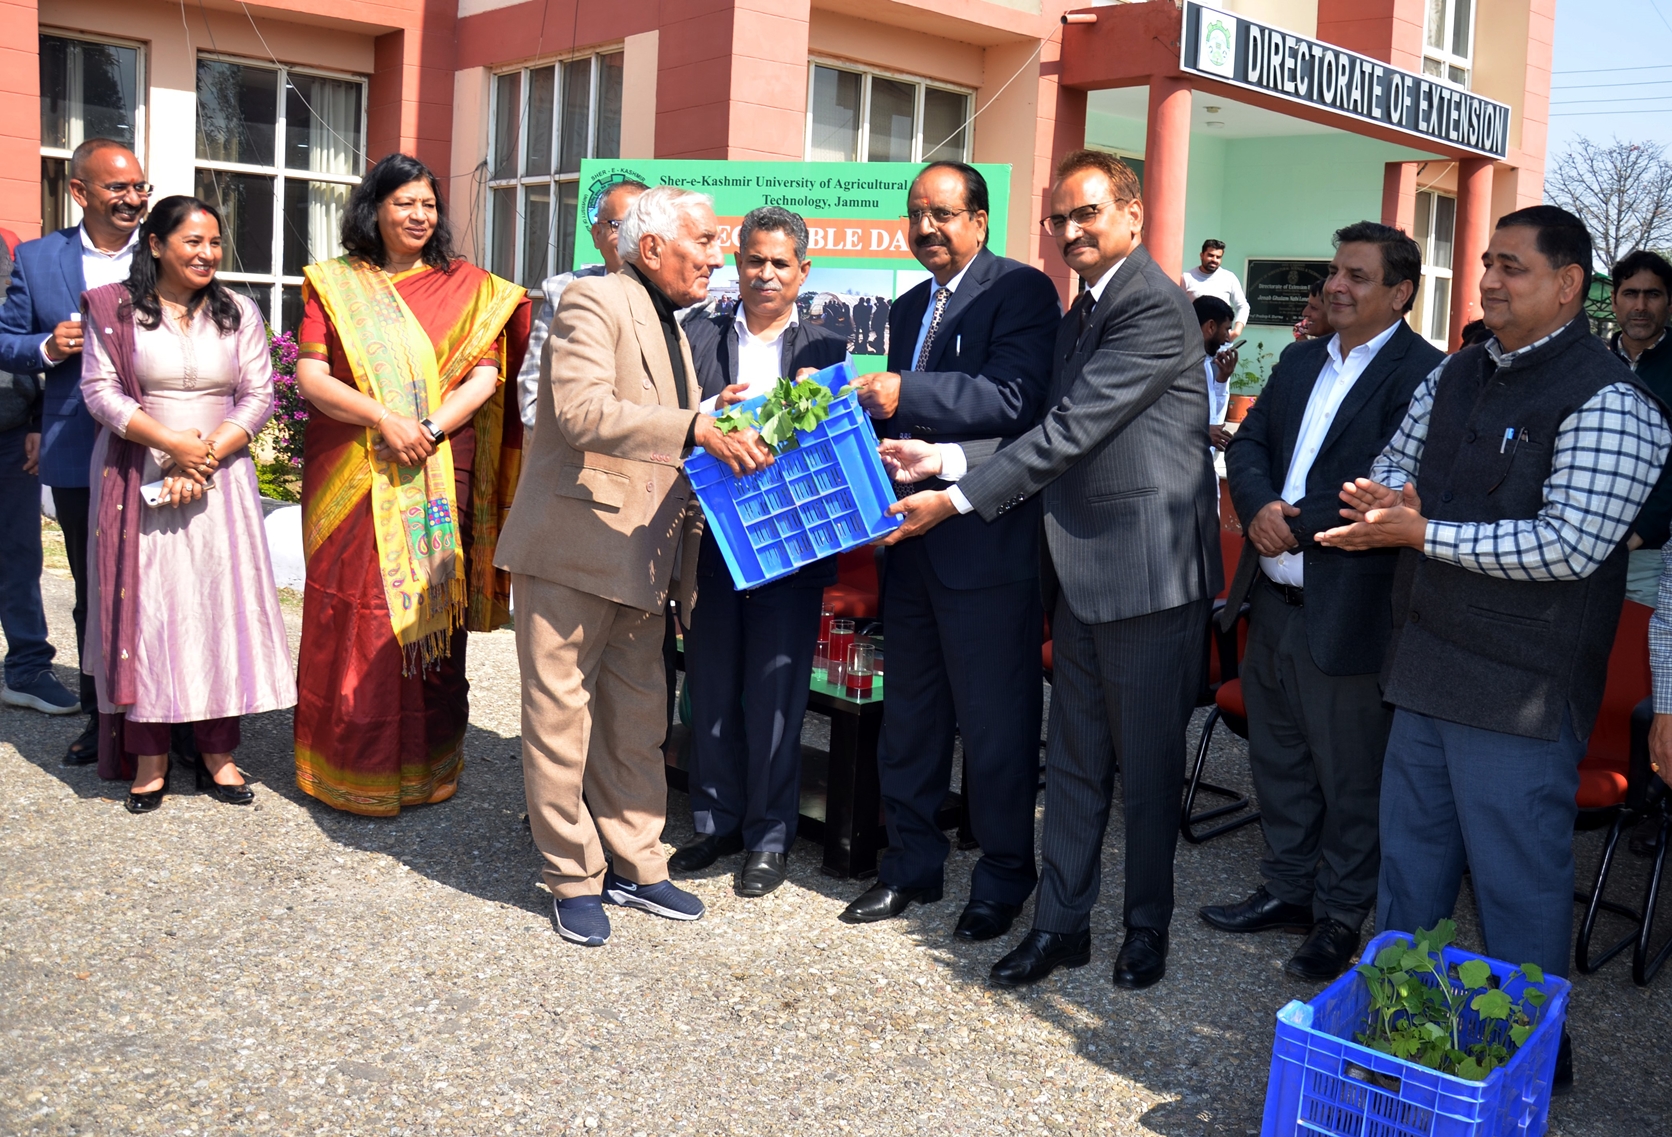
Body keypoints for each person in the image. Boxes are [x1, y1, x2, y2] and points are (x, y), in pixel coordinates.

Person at [1317, 206, 1669, 1087]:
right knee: (1409, 882)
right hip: (1424, 667)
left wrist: (1420, 531)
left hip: (1520, 693)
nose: (1487, 281)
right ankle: (1402, 1042)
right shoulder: (1458, 369)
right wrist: (1381, 500)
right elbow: (1396, 462)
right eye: (1486, 263)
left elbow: (1570, 546)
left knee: (1516, 893)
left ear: (1568, 284)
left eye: (1512, 266)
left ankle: (1527, 1065)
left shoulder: (1615, 403)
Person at [884, 149, 1222, 989]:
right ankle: (1061, 926)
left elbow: (1068, 430)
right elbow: (1039, 428)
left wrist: (955, 498)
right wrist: (944, 458)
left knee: (1146, 774)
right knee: (1071, 764)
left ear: (1133, 215)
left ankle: (1145, 927)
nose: (1071, 230)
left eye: (1087, 213)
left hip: (1147, 577)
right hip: (1077, 570)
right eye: (1059, 218)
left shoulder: (1153, 306)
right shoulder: (1082, 310)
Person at [496, 185, 772, 947]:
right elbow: (581, 412)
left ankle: (638, 863)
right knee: (560, 721)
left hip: (643, 557)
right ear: (652, 248)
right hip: (574, 547)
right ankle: (572, 876)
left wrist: (712, 414)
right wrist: (695, 425)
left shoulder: (673, 323)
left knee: (638, 720)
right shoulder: (593, 300)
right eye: (705, 241)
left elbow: (663, 424)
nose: (718, 257)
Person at [1200, 221, 1442, 982]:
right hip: (1272, 598)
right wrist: (1258, 506)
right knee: (1279, 761)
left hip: (1351, 612)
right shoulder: (1302, 358)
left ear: (1400, 293)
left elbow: (1390, 484)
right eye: (1335, 272)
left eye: (1357, 276)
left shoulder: (1425, 375)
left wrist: (1290, 522)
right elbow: (1249, 444)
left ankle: (1340, 916)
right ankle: (1288, 889)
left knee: (1350, 778)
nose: (1336, 285)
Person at [836, 161, 1059, 940]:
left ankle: (1003, 877)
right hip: (910, 547)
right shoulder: (908, 307)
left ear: (980, 221)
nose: (926, 227)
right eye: (916, 214)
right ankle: (909, 865)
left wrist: (907, 392)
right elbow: (902, 422)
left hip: (986, 546)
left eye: (942, 213)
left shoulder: (1021, 290)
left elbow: (1016, 400)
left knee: (995, 727)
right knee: (911, 719)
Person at [292, 154, 530, 817]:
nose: (419, 215)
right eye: (405, 203)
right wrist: (383, 420)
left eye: (429, 204)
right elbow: (312, 376)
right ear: (375, 210)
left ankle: (429, 764)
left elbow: (485, 376)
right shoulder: (336, 284)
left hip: (435, 466)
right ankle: (348, 763)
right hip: (353, 467)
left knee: (428, 606)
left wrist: (425, 428)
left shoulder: (470, 290)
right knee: (354, 610)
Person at [78, 195, 296, 810]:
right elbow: (99, 391)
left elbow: (258, 395)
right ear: (156, 245)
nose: (207, 254)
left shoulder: (238, 311)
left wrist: (203, 456)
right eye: (192, 242)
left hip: (222, 478)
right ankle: (150, 759)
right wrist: (172, 445)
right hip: (138, 473)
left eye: (215, 242)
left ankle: (218, 755)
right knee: (150, 611)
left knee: (217, 608)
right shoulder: (116, 311)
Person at [669, 206, 849, 897]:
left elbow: (839, 442)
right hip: (713, 538)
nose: (765, 274)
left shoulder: (828, 348)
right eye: (754, 260)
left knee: (776, 695)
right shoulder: (699, 335)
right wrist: (709, 414)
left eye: (780, 263)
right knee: (711, 685)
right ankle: (715, 823)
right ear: (737, 263)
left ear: (804, 271)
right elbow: (672, 421)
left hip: (792, 543)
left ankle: (768, 838)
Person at [0, 139, 149, 750]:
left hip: (162, 440)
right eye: (118, 188)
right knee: (95, 586)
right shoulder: (37, 258)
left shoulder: (167, 245)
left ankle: (170, 715)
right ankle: (101, 718)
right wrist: (46, 347)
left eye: (140, 186)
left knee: (162, 583)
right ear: (80, 191)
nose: (133, 199)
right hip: (78, 443)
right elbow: (6, 340)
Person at [1, 225, 73, 720]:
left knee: (18, 555)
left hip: (10, 431)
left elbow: (25, 333)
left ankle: (27, 669)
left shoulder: (6, 246)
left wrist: (37, 420)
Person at [516, 179, 647, 433]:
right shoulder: (563, 292)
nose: (632, 238)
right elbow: (533, 394)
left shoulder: (684, 306)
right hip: (579, 447)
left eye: (642, 226)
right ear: (597, 235)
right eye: (620, 226)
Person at [1608, 250, 1672, 608]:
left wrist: (1642, 531)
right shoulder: (1594, 366)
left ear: (1670, 303)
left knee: (1641, 642)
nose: (1641, 306)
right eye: (1630, 293)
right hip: (1587, 546)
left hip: (1652, 555)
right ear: (1614, 301)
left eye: (1653, 294)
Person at [1195, 295, 1238, 451]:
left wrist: (1222, 379)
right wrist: (1202, 432)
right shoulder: (1183, 363)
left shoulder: (1205, 362)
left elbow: (1214, 416)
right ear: (1211, 327)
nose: (1227, 339)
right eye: (1226, 330)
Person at [1182, 238, 1249, 336]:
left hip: (1222, 340)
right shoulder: (1187, 278)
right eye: (1210, 255)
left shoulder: (1229, 278)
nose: (1214, 260)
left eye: (1218, 257)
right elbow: (1179, 308)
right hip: (1195, 338)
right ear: (1202, 255)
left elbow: (1243, 306)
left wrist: (1237, 331)